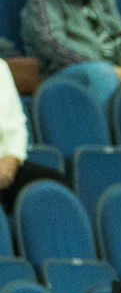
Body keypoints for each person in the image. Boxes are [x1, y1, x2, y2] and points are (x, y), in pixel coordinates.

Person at [0, 52, 62, 212]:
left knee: (51, 184)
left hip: (4, 162)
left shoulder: (1, 68)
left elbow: (17, 122)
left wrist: (11, 159)